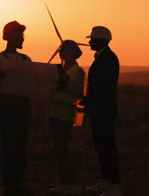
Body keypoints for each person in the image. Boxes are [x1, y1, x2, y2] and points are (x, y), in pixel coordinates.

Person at [0, 21, 32, 196]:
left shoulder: (26, 59)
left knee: (21, 144)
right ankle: (8, 183)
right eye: (20, 36)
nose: (23, 39)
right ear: (11, 37)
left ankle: (18, 182)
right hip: (8, 105)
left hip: (23, 105)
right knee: (8, 144)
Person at [79, 26, 122, 196]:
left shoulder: (107, 59)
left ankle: (115, 186)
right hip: (100, 110)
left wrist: (89, 100)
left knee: (107, 147)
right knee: (101, 146)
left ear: (101, 41)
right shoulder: (105, 58)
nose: (89, 42)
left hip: (102, 111)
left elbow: (102, 87)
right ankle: (107, 182)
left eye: (92, 39)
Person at [49, 40, 85, 196]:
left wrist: (64, 83)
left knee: (63, 150)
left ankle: (71, 184)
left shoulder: (78, 71)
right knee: (59, 150)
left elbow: (78, 91)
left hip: (66, 115)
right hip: (55, 113)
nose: (59, 52)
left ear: (71, 51)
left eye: (62, 49)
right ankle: (65, 182)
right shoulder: (62, 70)